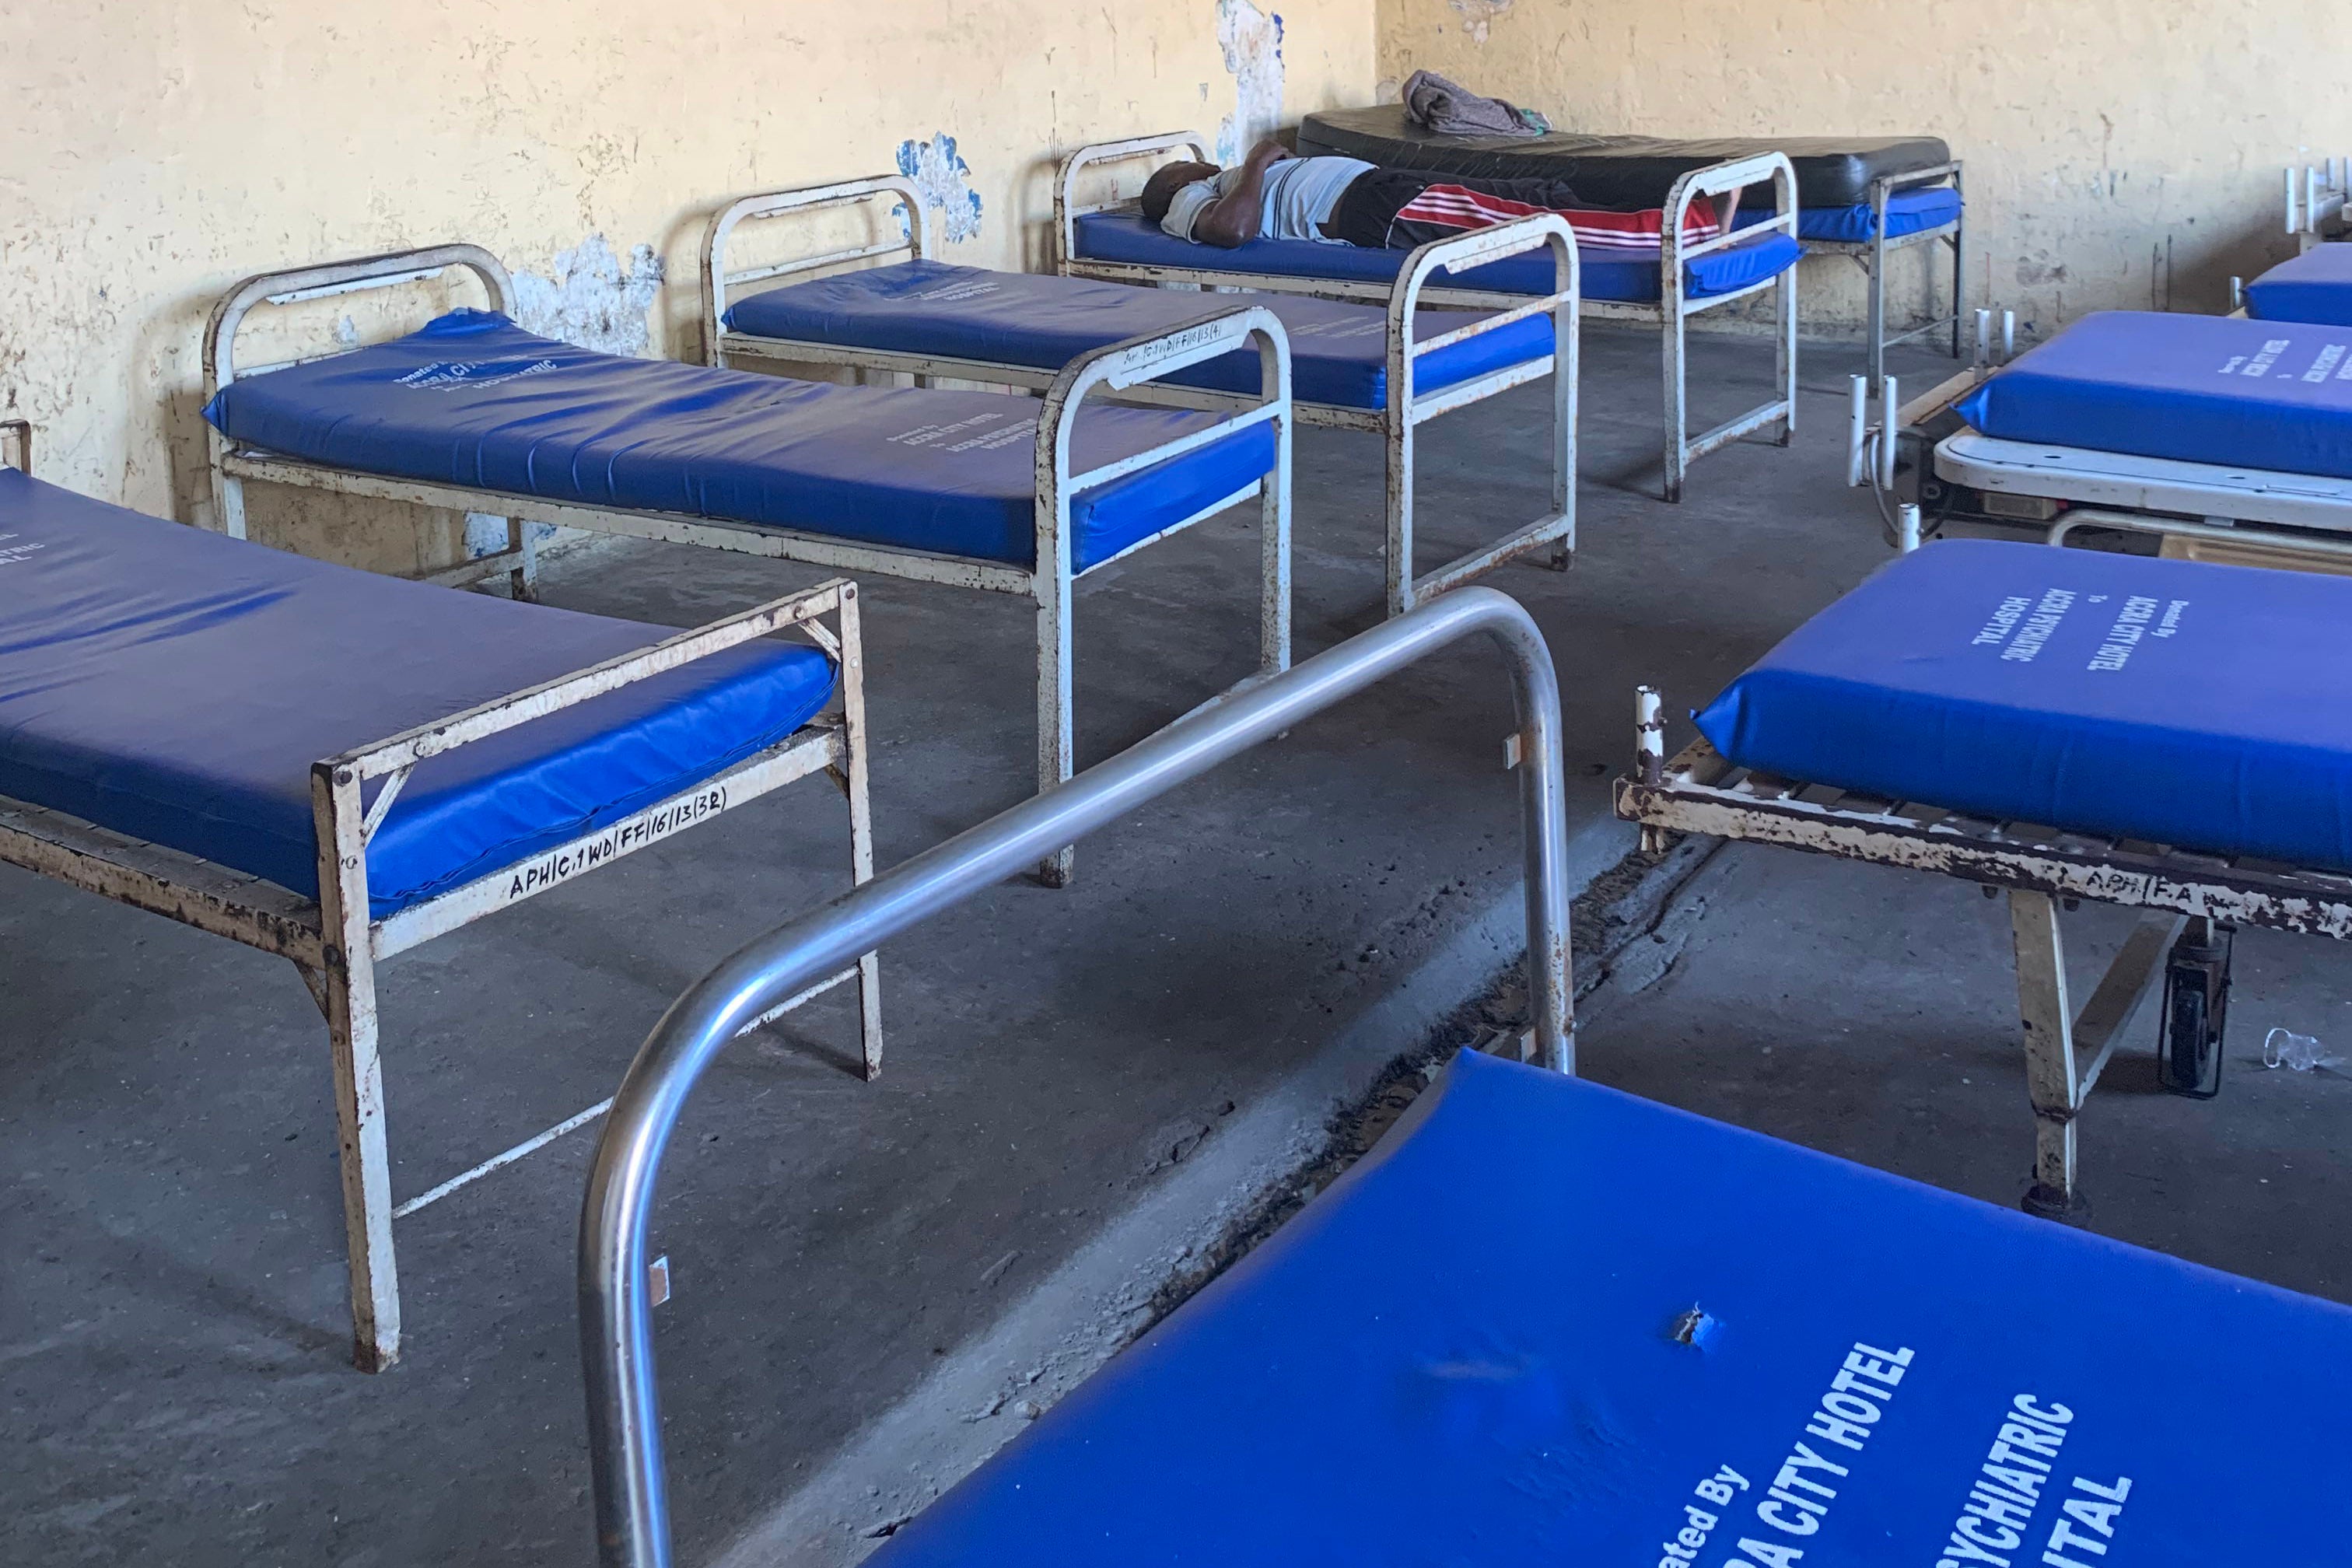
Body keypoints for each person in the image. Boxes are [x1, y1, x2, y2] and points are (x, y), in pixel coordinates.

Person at [1139, 137, 1735, 254]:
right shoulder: (1187, 207)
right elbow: (1234, 232)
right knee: (1529, 222)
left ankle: (1672, 214)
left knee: (1539, 193)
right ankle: (1684, 230)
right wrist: (1260, 160)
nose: (1199, 163)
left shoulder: (1225, 182)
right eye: (1182, 167)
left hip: (1385, 185)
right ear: (1171, 189)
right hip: (1372, 210)